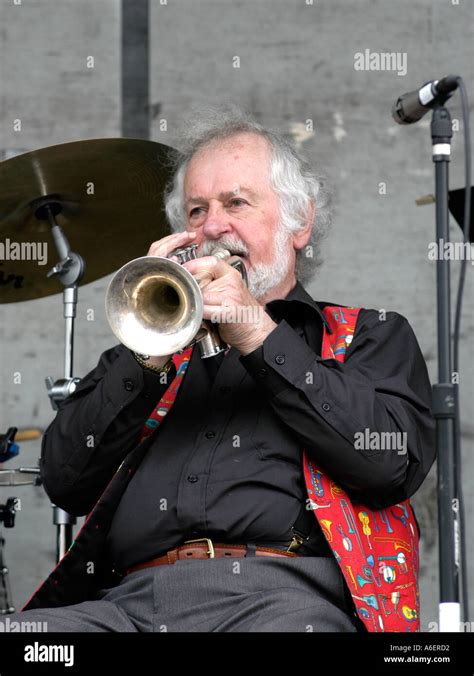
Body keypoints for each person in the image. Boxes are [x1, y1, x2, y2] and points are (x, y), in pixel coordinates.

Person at [9, 105, 435, 632]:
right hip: (128, 607)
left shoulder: (369, 334)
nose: (213, 226)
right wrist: (147, 354)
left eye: (236, 202)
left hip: (282, 605)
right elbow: (63, 479)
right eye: (195, 212)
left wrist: (257, 334)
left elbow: (391, 465)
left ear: (298, 222)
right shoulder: (152, 349)